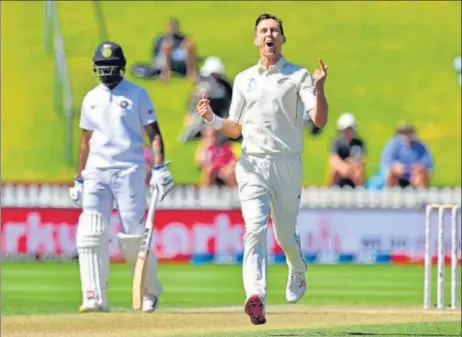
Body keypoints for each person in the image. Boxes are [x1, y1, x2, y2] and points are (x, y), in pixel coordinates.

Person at [196, 13, 328, 325]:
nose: (269, 35)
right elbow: (235, 128)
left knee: (284, 234)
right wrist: (212, 119)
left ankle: (297, 267)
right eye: (263, 31)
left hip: (287, 162)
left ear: (282, 39)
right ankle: (255, 296)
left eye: (274, 31)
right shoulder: (244, 79)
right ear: (256, 39)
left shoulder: (298, 76)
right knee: (254, 228)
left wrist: (320, 88)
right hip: (252, 163)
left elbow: (319, 120)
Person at [68, 41, 175, 313]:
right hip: (96, 172)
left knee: (134, 235)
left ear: (122, 67)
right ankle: (93, 296)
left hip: (129, 170)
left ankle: (149, 291)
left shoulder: (137, 94)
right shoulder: (91, 97)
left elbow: (154, 134)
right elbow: (85, 141)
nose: (106, 72)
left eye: (111, 67)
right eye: (102, 67)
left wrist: (160, 168)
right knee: (90, 231)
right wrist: (79, 178)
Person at [179, 56, 234, 144]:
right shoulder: (201, 87)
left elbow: (230, 107)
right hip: (202, 119)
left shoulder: (226, 87)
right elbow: (192, 106)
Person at [380, 122, 433, 188]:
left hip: (414, 173)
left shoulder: (420, 145)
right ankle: (391, 192)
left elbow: (428, 161)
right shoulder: (392, 144)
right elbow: (387, 161)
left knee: (421, 174)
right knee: (393, 171)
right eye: (403, 133)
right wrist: (400, 168)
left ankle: (420, 193)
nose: (406, 135)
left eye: (408, 132)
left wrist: (418, 167)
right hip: (397, 173)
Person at [152, 18, 197, 82]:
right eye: (170, 26)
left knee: (190, 45)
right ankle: (165, 74)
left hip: (177, 60)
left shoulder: (182, 38)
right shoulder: (162, 38)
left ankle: (191, 73)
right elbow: (156, 54)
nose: (172, 28)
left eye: (174, 27)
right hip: (163, 60)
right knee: (167, 46)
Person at [327, 113, 366, 188]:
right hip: (340, 171)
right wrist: (344, 167)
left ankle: (360, 190)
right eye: (345, 130)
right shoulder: (336, 142)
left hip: (354, 171)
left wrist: (351, 165)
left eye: (350, 129)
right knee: (334, 170)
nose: (347, 132)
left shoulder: (359, 143)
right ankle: (331, 189)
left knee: (360, 170)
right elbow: (333, 159)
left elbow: (362, 159)